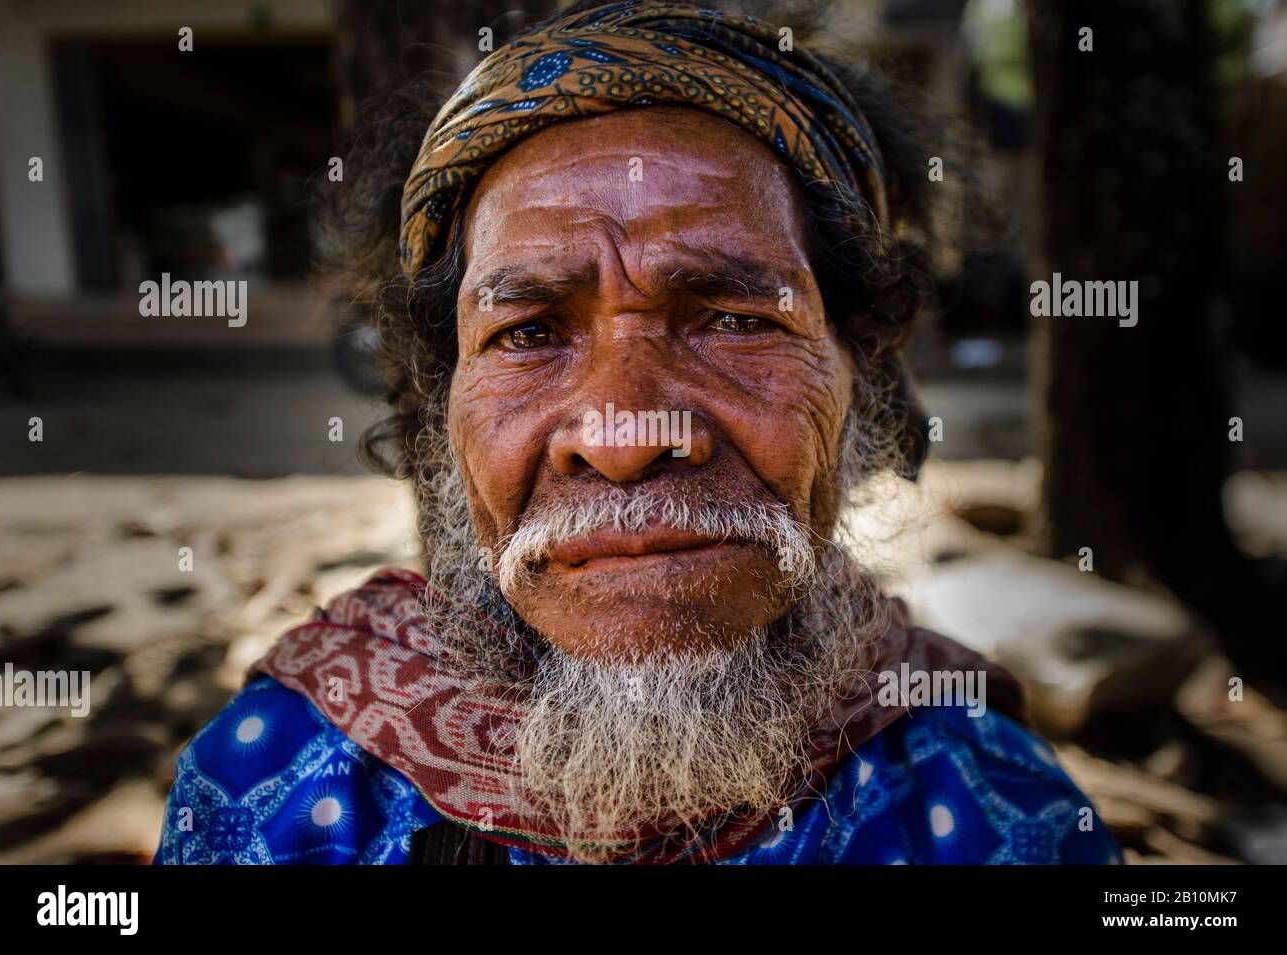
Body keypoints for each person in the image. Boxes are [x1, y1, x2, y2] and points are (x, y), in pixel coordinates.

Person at [155, 0, 1120, 865]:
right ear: (445, 406)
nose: (624, 435)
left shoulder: (988, 801)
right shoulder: (281, 786)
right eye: (528, 334)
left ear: (862, 367)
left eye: (736, 319)